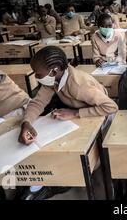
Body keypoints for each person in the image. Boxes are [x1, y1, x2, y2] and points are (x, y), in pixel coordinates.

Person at [17, 46, 118, 200]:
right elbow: (38, 102)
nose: (36, 76)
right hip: (82, 113)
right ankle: (46, 180)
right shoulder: (53, 79)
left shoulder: (78, 85)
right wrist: (27, 122)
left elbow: (111, 107)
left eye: (38, 74)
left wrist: (75, 113)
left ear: (54, 70)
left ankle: (67, 180)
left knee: (88, 157)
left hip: (100, 115)